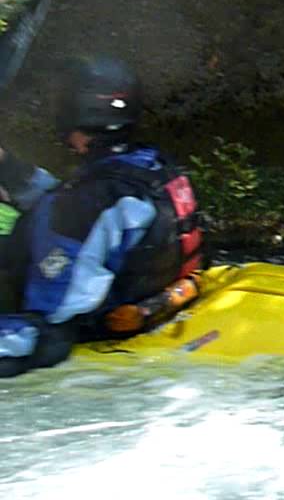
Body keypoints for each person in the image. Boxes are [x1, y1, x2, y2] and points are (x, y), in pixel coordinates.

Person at [0, 56, 204, 377]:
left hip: (88, 327)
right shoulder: (152, 166)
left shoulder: (89, 202)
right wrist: (8, 168)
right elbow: (81, 210)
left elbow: (51, 327)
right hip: (149, 295)